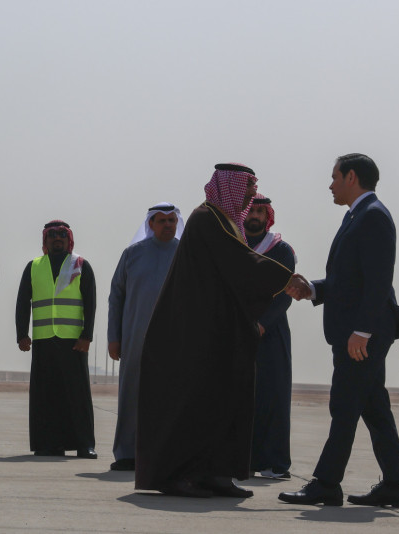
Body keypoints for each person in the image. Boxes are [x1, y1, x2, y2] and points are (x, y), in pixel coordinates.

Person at [135, 163, 294, 498]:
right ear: (229, 186)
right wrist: (286, 279)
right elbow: (240, 263)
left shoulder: (227, 224)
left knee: (221, 405)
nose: (251, 193)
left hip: (215, 335)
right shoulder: (206, 219)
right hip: (190, 334)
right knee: (189, 407)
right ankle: (176, 476)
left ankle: (216, 474)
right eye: (247, 187)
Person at [279, 154, 399, 508]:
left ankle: (326, 483)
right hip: (358, 330)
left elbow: (378, 280)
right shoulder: (357, 216)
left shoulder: (373, 216)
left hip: (362, 334)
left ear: (351, 177)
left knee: (344, 403)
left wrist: (363, 331)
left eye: (335, 177)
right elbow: (348, 281)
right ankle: (395, 486)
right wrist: (313, 289)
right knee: (373, 406)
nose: (330, 185)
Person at [107, 203, 183, 471]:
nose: (167, 225)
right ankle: (127, 454)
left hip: (175, 341)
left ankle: (165, 455)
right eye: (161, 221)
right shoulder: (132, 254)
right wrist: (114, 337)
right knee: (131, 395)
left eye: (171, 220)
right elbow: (116, 296)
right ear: (151, 224)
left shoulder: (186, 254)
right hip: (135, 339)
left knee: (170, 398)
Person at [15, 220, 97, 459]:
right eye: (52, 235)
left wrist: (87, 336)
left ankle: (84, 444)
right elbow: (23, 302)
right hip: (43, 340)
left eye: (62, 234)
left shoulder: (80, 265)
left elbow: (90, 303)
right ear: (45, 240)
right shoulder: (33, 266)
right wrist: (21, 334)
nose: (57, 238)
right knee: (45, 396)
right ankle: (47, 444)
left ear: (68, 238)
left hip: (73, 342)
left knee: (77, 396)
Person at [244, 195, 296, 480]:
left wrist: (263, 324)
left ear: (268, 216)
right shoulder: (233, 244)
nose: (254, 215)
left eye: (260, 211)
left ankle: (275, 463)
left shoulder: (280, 249)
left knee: (273, 396)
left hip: (271, 332)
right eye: (250, 210)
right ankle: (243, 461)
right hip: (237, 330)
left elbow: (285, 293)